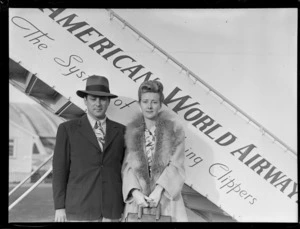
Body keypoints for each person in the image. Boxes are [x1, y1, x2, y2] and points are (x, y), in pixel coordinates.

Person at [52, 75, 125, 222]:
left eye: (103, 99)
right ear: (85, 100)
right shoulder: (67, 129)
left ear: (109, 101)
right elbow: (60, 170)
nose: (98, 104)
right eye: (93, 98)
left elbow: (125, 170)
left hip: (112, 211)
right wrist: (59, 207)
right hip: (80, 210)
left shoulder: (122, 131)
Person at [121, 80, 188, 222]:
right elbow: (128, 167)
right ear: (139, 104)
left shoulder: (174, 131)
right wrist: (135, 192)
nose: (149, 106)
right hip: (139, 202)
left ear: (160, 105)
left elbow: (176, 165)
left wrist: (159, 191)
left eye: (154, 102)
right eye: (145, 101)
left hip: (166, 199)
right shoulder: (132, 132)